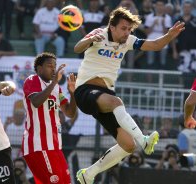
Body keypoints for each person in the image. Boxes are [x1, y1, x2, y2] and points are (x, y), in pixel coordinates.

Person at [73, 7, 185, 183]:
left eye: (129, 29)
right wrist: (90, 39)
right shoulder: (98, 33)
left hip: (105, 95)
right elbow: (77, 48)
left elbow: (155, 45)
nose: (127, 32)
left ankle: (88, 175)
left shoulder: (129, 41)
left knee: (128, 145)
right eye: (124, 28)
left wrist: (170, 35)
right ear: (112, 27)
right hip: (85, 91)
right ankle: (145, 140)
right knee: (116, 102)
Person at [22, 52, 77, 183]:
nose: (54, 69)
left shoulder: (57, 88)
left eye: (55, 66)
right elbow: (36, 102)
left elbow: (70, 112)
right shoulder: (32, 80)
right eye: (49, 66)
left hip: (55, 146)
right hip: (38, 145)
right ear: (39, 68)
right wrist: (54, 82)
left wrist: (73, 93)